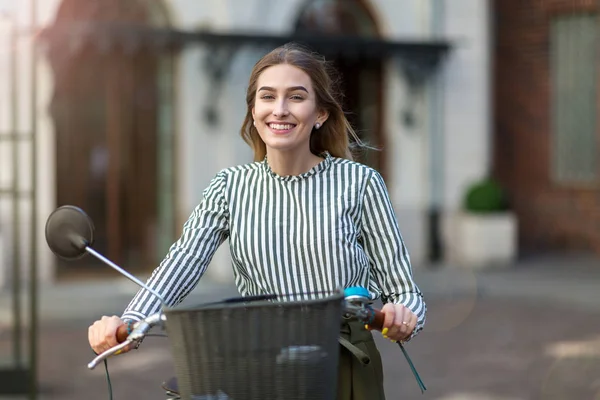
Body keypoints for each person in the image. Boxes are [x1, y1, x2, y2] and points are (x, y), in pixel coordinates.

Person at [88, 42, 426, 399]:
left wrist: (403, 316)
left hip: (341, 364)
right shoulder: (229, 187)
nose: (279, 110)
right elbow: (183, 261)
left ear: (321, 113)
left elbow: (405, 291)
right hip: (261, 360)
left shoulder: (360, 182)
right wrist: (128, 322)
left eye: (296, 97)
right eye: (267, 97)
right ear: (253, 110)